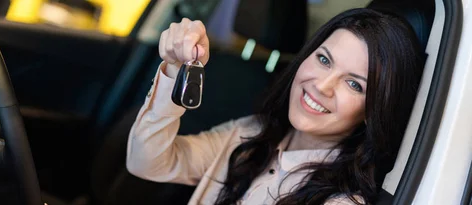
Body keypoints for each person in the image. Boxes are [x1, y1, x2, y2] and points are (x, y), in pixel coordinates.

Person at [126, 8, 425, 205]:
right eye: (323, 60)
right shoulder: (250, 134)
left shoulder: (340, 202)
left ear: (373, 111)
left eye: (354, 84)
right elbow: (147, 161)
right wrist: (177, 68)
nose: (322, 85)